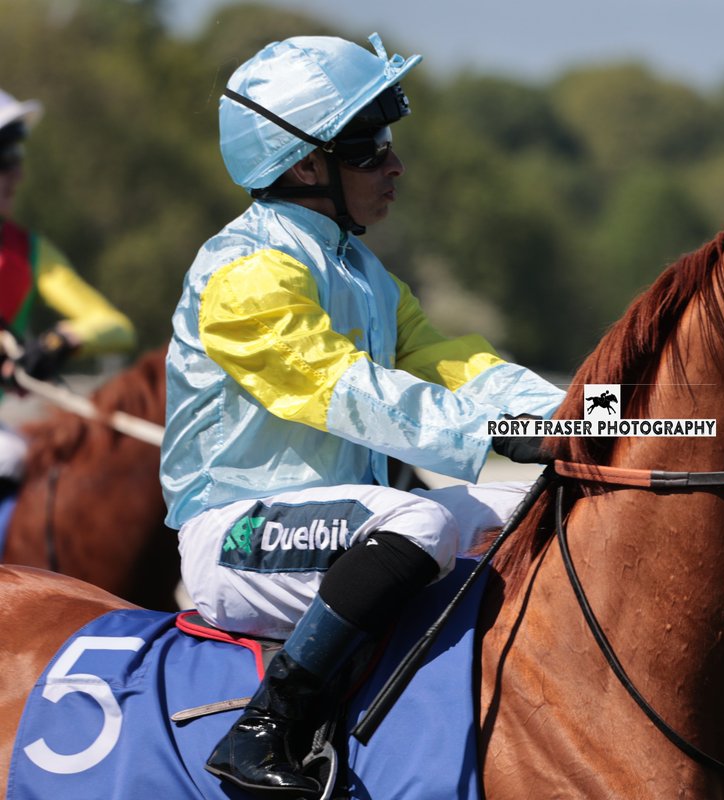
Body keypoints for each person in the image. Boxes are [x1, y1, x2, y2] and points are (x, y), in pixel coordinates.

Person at [160, 33, 562, 796]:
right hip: (235, 535)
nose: (395, 165)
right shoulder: (245, 274)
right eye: (370, 148)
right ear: (307, 166)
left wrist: (586, 413)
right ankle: (266, 727)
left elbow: (458, 366)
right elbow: (351, 392)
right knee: (416, 524)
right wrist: (502, 433)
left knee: (523, 507)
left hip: (341, 527)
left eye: (389, 144)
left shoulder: (363, 272)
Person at [0, 88, 136, 490]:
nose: (18, 174)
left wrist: (59, 342)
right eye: (5, 160)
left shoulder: (31, 251)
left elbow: (116, 327)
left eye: (17, 158)